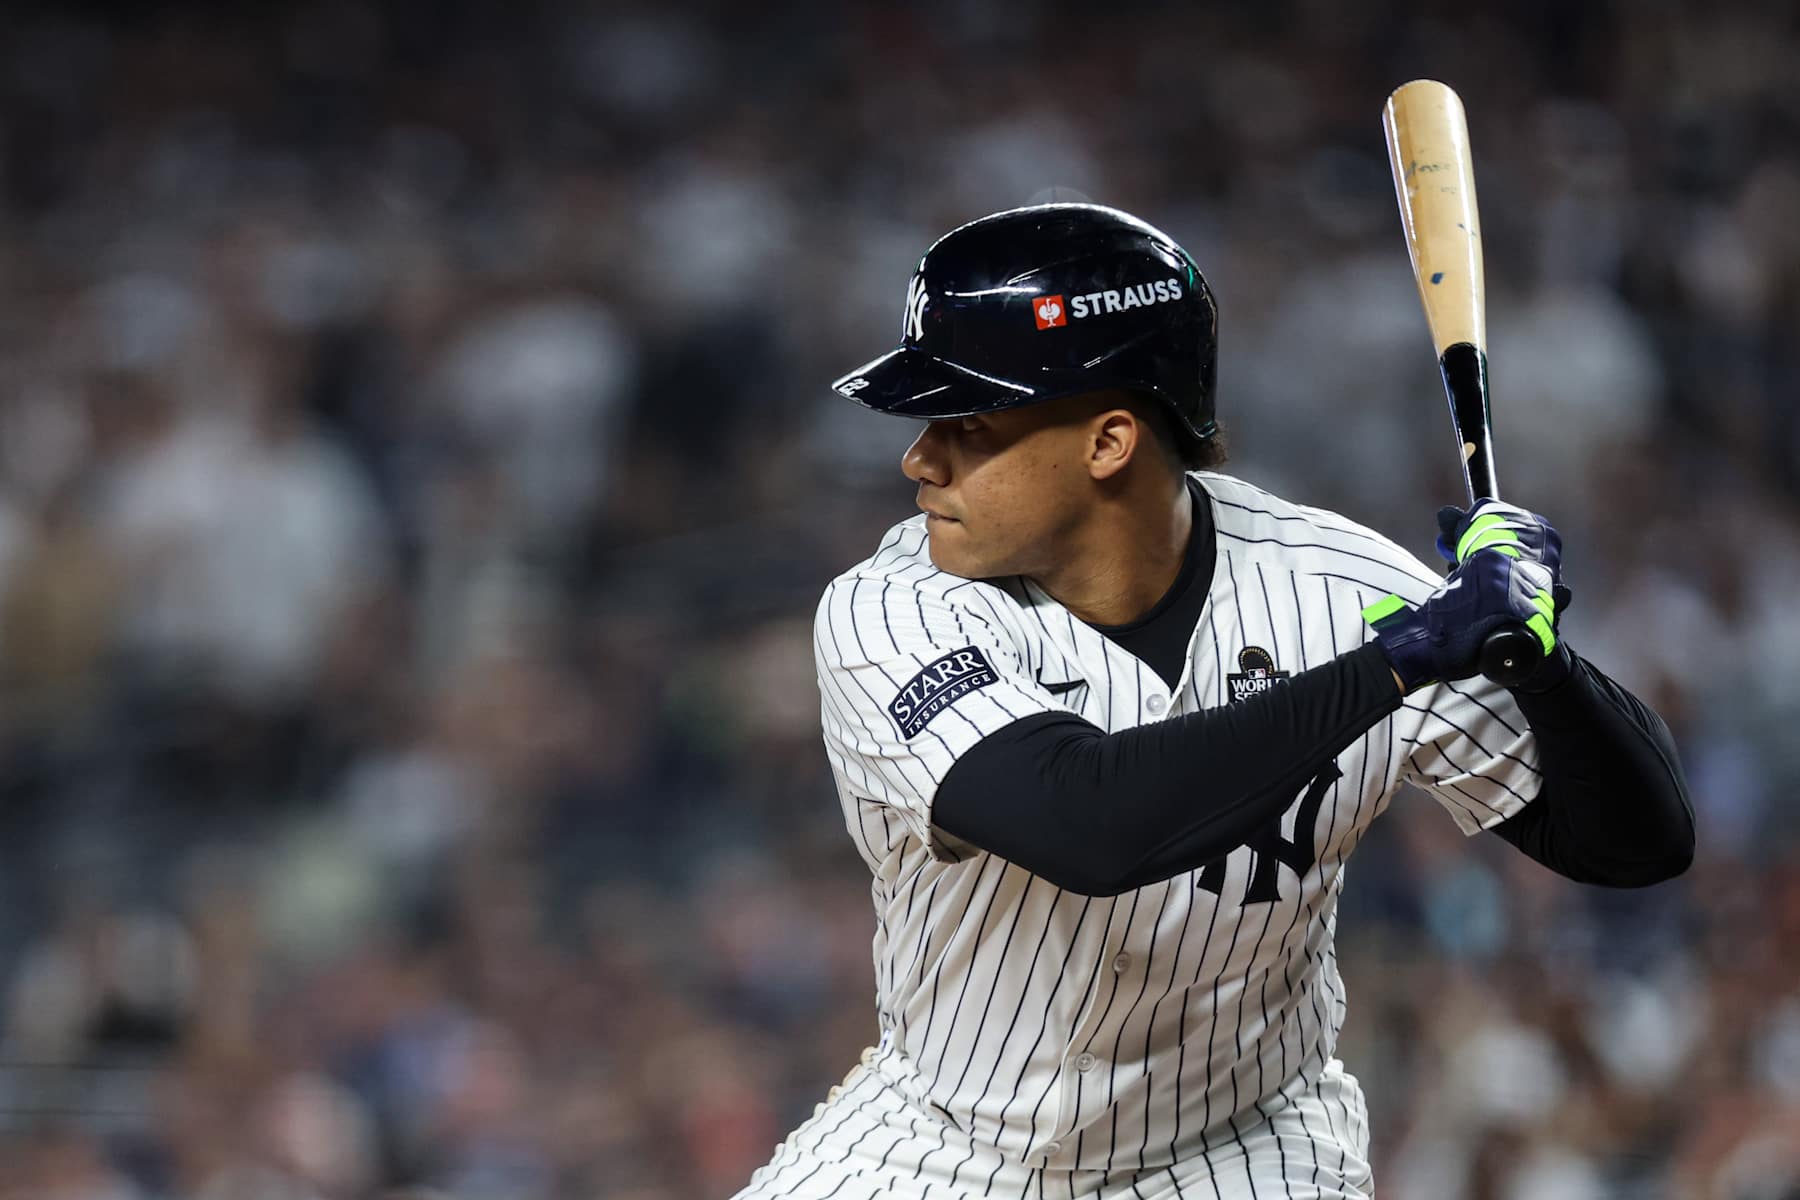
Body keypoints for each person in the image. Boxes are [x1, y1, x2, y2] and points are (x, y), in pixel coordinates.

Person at [732, 204, 1692, 1199]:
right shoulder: (891, 608)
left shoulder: (1341, 586)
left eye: (969, 424)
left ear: (1109, 443)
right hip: (942, 1136)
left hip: (1236, 1150)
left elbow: (1637, 843)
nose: (920, 461)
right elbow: (1088, 823)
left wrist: (1541, 662)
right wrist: (1399, 663)